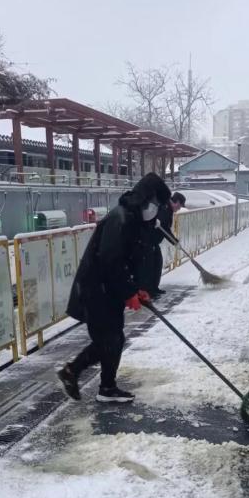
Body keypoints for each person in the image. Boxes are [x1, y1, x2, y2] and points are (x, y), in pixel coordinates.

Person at [57, 172, 171, 403]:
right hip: (96, 288)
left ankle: (93, 381)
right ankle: (90, 380)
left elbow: (132, 260)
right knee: (110, 339)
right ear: (146, 199)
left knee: (112, 339)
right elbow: (112, 260)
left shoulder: (135, 220)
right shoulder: (120, 219)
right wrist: (128, 292)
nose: (156, 209)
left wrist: (137, 287)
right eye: (156, 203)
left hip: (108, 290)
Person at [135, 191, 186, 299]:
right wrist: (174, 241)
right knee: (149, 266)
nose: (180, 208)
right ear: (176, 202)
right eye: (180, 206)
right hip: (147, 240)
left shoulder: (168, 208)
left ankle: (153, 288)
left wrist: (174, 241)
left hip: (153, 241)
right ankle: (148, 291)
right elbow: (164, 228)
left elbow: (164, 228)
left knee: (157, 263)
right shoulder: (164, 208)